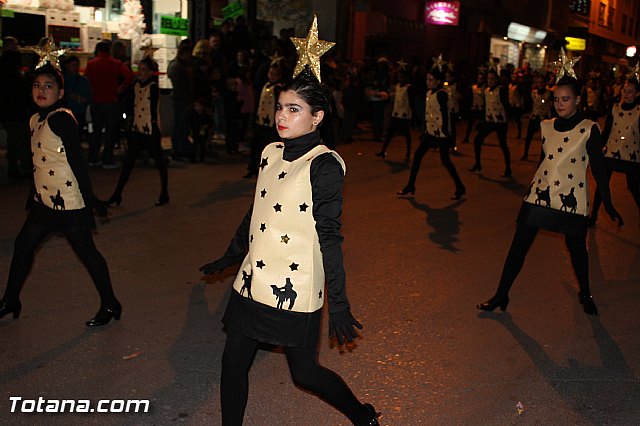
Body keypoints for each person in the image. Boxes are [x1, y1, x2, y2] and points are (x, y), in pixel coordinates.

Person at [199, 64, 379, 425]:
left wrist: (339, 304)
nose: (282, 115)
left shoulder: (324, 164)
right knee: (232, 361)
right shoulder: (269, 152)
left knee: (305, 374)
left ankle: (362, 416)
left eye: (293, 109)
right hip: (252, 281)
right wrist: (232, 255)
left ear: (317, 118)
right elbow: (258, 210)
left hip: (295, 288)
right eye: (281, 106)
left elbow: (330, 237)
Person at [476, 76, 624, 317]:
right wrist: (531, 189)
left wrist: (608, 203)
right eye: (556, 99)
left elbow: (598, 170)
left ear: (577, 99)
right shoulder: (546, 126)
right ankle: (501, 295)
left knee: (577, 249)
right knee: (518, 247)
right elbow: (543, 162)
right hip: (539, 196)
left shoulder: (589, 129)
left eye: (565, 99)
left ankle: (585, 294)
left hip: (571, 199)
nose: (560, 104)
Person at [0, 52, 121, 327]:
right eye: (37, 85)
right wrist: (33, 195)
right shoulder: (35, 120)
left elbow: (77, 160)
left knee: (89, 255)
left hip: (68, 203)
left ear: (61, 92)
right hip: (44, 202)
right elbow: (39, 161)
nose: (41, 91)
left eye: (49, 86)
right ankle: (10, 300)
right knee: (23, 247)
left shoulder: (61, 118)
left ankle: (111, 304)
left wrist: (90, 198)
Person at [106, 56, 168, 207]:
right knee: (128, 162)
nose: (139, 72)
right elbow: (128, 103)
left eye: (143, 69)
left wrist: (154, 126)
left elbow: (153, 109)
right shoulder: (136, 86)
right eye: (138, 69)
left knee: (159, 162)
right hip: (136, 128)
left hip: (149, 129)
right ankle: (117, 193)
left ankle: (164, 193)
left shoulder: (152, 87)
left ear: (150, 72)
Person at [396, 67, 465, 200]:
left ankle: (460, 186)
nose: (428, 82)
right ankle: (410, 186)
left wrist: (447, 133)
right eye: (427, 79)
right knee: (417, 157)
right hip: (431, 133)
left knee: (446, 161)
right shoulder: (429, 93)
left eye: (431, 80)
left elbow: (446, 114)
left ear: (438, 81)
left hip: (442, 134)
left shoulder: (442, 94)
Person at [590, 78, 640, 226]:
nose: (626, 94)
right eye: (624, 90)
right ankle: (593, 217)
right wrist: (597, 147)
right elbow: (607, 131)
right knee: (602, 184)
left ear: (637, 94)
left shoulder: (639, 111)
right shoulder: (615, 108)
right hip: (611, 152)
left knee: (634, 187)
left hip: (631, 155)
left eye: (630, 91)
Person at [84, 40, 133, 169]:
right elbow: (128, 76)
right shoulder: (116, 63)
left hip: (96, 101)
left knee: (96, 132)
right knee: (110, 132)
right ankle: (107, 159)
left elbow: (86, 80)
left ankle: (93, 158)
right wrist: (120, 88)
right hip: (111, 101)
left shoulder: (91, 64)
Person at [470, 68, 512, 177]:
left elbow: (506, 105)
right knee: (477, 140)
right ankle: (478, 164)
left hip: (500, 121)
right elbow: (486, 106)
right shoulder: (486, 90)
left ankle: (508, 168)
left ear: (497, 79)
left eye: (493, 78)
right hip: (489, 120)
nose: (490, 81)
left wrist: (510, 117)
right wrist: (482, 120)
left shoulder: (501, 90)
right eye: (488, 78)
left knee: (503, 144)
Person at [244, 63, 282, 178]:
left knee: (267, 147)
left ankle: (266, 169)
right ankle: (253, 166)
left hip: (270, 123)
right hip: (260, 121)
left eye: (275, 74)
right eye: (271, 73)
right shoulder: (265, 86)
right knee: (255, 144)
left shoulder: (278, 88)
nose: (272, 76)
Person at [375, 69, 412, 161]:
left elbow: (410, 101)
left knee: (407, 134)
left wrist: (410, 113)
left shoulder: (408, 88)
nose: (400, 79)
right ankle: (383, 151)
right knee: (390, 133)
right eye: (399, 77)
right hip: (396, 113)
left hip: (404, 114)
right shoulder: (397, 87)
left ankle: (408, 152)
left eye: (402, 77)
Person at [167, 44, 194, 161]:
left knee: (181, 125)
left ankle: (181, 148)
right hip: (181, 99)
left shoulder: (180, 65)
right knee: (179, 125)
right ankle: (178, 149)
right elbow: (181, 86)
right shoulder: (178, 67)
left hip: (181, 98)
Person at [521, 73, 553, 160]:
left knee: (545, 139)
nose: (539, 84)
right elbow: (531, 104)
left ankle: (542, 157)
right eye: (538, 82)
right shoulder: (533, 93)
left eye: (541, 82)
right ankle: (525, 153)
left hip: (544, 118)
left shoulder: (549, 93)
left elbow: (553, 105)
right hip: (534, 116)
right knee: (529, 136)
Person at [62, 55, 92, 139]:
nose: (76, 68)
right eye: (73, 65)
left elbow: (89, 97)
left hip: (78, 112)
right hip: (67, 112)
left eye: (77, 65)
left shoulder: (83, 81)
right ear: (67, 66)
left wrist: (82, 99)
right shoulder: (63, 80)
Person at [462, 71, 486, 144]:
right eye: (479, 78)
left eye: (481, 78)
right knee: (470, 124)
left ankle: (481, 139)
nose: (480, 80)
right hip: (474, 108)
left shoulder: (485, 88)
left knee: (482, 125)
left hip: (481, 109)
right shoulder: (473, 87)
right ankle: (466, 137)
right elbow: (469, 97)